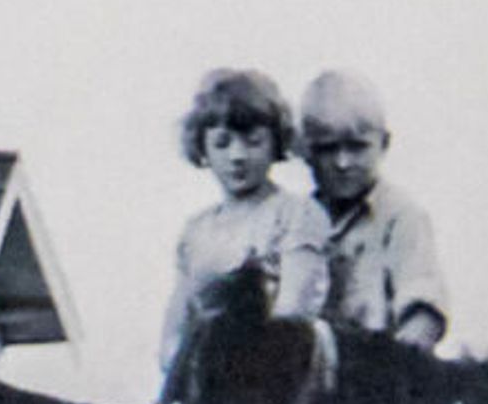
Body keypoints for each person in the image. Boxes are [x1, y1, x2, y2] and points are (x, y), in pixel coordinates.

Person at [161, 69, 332, 376]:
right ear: (203, 148)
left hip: (273, 377)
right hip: (206, 380)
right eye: (222, 143)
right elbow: (175, 329)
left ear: (275, 143)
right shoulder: (197, 231)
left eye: (253, 142)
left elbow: (294, 315)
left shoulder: (295, 214)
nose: (237, 156)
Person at [298, 72, 450, 349]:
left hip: (378, 373)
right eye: (328, 149)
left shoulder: (401, 217)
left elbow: (422, 309)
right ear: (306, 152)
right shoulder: (295, 219)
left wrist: (404, 355)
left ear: (384, 143)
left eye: (357, 148)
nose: (343, 163)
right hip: (312, 374)